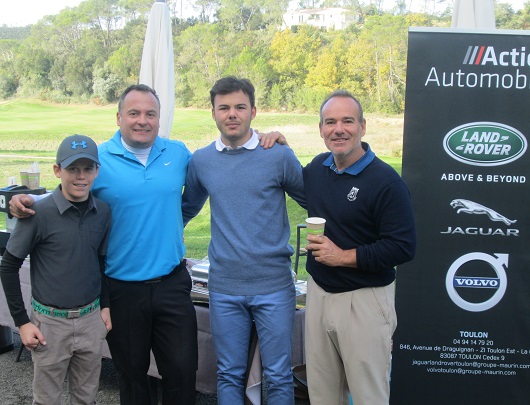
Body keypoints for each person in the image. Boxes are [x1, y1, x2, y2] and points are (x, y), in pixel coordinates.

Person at [9, 84, 198, 405]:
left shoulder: (177, 153)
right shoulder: (101, 159)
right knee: (133, 376)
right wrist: (24, 200)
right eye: (134, 113)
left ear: (159, 118)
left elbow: (194, 195)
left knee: (182, 374)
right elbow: (70, 189)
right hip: (121, 289)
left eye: (150, 114)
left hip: (172, 284)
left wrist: (172, 221)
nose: (142, 120)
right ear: (118, 117)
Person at [182, 76, 306, 404]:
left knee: (279, 375)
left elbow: (315, 199)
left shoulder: (277, 155)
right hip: (224, 287)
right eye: (224, 108)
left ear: (254, 111)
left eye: (240, 107)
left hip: (274, 286)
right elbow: (184, 210)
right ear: (213, 113)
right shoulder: (202, 161)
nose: (232, 114)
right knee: (229, 373)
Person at [302, 90, 416, 405]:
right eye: (330, 122)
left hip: (363, 301)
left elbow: (403, 247)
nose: (338, 129)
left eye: (347, 121)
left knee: (369, 396)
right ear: (321, 128)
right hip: (319, 294)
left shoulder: (386, 182)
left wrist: (343, 257)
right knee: (322, 394)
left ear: (363, 127)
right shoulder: (316, 169)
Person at [0, 134, 111, 404]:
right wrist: (22, 323)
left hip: (89, 319)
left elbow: (101, 262)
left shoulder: (103, 211)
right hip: (49, 324)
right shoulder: (37, 213)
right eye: (73, 168)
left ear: (97, 171)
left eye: (88, 168)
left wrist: (105, 306)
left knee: (86, 396)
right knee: (47, 399)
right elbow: (8, 265)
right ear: (57, 170)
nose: (80, 176)